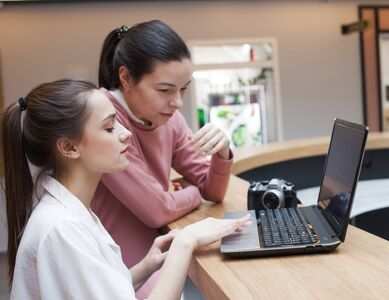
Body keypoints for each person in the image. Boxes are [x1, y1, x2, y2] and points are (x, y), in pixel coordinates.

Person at [2, 79, 250, 299]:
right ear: (69, 147)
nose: (126, 134)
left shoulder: (70, 212)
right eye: (110, 127)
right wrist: (186, 241)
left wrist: (145, 267)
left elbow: (98, 291)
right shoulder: (62, 229)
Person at [94, 20, 233, 297]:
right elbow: (157, 209)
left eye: (183, 89)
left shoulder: (170, 119)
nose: (178, 103)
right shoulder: (103, 120)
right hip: (115, 270)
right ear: (126, 78)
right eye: (165, 90)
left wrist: (222, 153)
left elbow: (213, 190)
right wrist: (191, 193)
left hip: (153, 261)